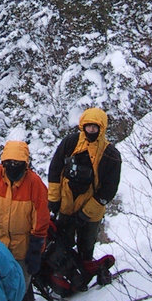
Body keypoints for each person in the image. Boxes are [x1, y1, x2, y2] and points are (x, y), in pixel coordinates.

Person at [0, 140, 49, 301]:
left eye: (17, 163)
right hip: (0, 239)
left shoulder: (34, 184)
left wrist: (36, 249)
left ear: (25, 164)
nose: (13, 167)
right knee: (2, 279)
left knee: (22, 282)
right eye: (9, 163)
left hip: (23, 243)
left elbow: (41, 218)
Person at [47, 107, 121, 272]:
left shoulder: (110, 154)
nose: (91, 131)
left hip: (91, 212)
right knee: (61, 244)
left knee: (86, 246)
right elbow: (55, 169)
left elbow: (109, 189)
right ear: (83, 126)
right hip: (66, 205)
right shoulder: (71, 142)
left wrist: (86, 213)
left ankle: (85, 273)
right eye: (88, 127)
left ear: (101, 128)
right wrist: (53, 200)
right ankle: (63, 275)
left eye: (95, 127)